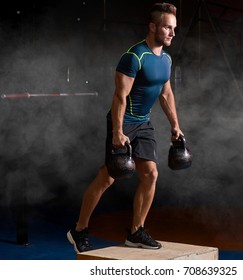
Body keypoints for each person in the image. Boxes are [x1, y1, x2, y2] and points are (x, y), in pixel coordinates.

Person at [67, 2, 184, 252]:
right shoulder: (133, 56)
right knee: (108, 177)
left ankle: (135, 232)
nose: (172, 32)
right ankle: (79, 230)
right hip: (124, 122)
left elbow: (166, 93)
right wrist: (118, 132)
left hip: (144, 123)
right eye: (167, 27)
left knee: (151, 174)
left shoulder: (166, 59)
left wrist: (175, 125)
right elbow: (120, 96)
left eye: (174, 28)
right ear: (153, 27)